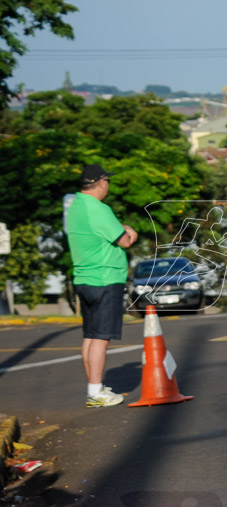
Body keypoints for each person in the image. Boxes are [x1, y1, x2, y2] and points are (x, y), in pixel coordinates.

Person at [66, 164, 137, 408]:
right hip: (105, 279)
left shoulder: (75, 207)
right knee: (101, 338)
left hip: (84, 278)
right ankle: (96, 392)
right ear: (102, 182)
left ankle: (94, 387)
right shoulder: (99, 209)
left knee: (90, 336)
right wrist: (131, 231)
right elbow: (125, 240)